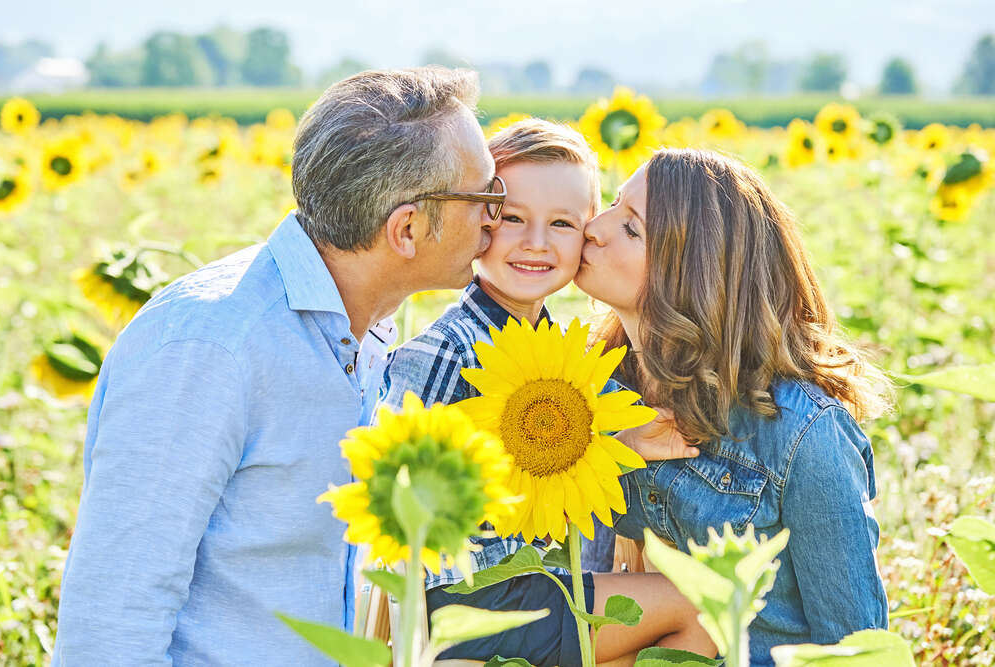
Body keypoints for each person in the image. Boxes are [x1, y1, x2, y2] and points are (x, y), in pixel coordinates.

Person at [53, 67, 505, 665]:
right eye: (486, 197)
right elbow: (111, 625)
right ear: (407, 228)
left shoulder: (359, 329)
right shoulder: (210, 346)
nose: (497, 217)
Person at [380, 119, 715, 667]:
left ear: (589, 234)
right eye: (513, 218)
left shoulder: (560, 351)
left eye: (562, 223)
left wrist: (624, 441)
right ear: (480, 219)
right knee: (703, 610)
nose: (535, 242)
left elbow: (559, 463)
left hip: (534, 584)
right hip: (470, 596)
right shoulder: (445, 350)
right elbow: (395, 485)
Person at [576, 148, 891, 667]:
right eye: (612, 204)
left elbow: (854, 646)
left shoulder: (802, 435)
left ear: (693, 274)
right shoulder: (597, 389)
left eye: (631, 229)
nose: (593, 228)